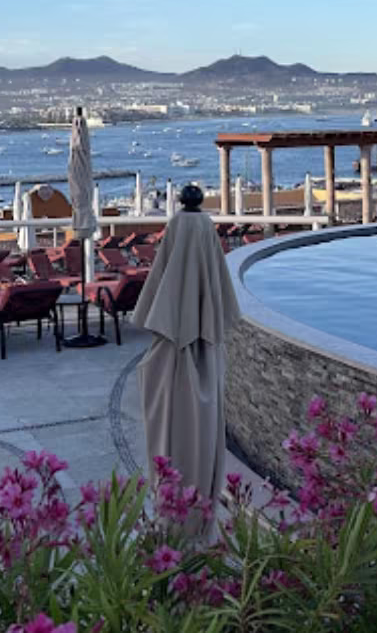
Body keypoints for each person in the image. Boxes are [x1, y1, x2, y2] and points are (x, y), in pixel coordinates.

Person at [134, 183, 241, 536]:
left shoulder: (180, 232)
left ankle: (175, 520)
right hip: (197, 352)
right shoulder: (211, 352)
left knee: (172, 439)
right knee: (202, 438)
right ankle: (197, 522)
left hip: (176, 356)